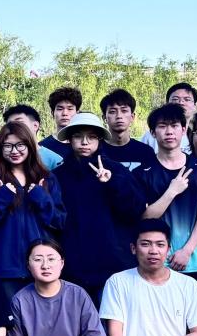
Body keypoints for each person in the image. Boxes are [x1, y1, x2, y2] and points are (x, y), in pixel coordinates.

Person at [51, 113, 146, 302]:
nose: (85, 142)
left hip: (112, 263)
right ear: (69, 139)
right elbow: (53, 219)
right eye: (78, 136)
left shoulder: (116, 170)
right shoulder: (58, 175)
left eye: (92, 137)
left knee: (111, 318)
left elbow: (135, 210)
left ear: (100, 140)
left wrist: (112, 183)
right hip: (72, 265)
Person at [0, 122, 65, 300]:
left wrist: (41, 198)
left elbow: (59, 221)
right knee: (8, 317)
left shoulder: (47, 179)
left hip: (41, 266)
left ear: (30, 145)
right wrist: (2, 198)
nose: (14, 151)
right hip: (4, 267)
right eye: (7, 146)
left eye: (20, 145)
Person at [137, 103, 197, 290]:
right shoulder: (142, 172)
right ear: (153, 132)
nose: (169, 132)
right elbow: (146, 216)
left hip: (196, 259)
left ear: (183, 130)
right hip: (158, 260)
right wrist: (172, 191)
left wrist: (187, 251)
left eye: (174, 126)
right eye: (162, 126)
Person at [99, 89, 154, 171]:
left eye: (124, 111)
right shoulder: (95, 151)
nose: (119, 116)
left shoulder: (146, 152)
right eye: (112, 111)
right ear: (104, 118)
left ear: (132, 117)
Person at [142, 83, 197, 154]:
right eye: (175, 99)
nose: (181, 102)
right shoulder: (150, 137)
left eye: (187, 99)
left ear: (194, 106)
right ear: (167, 104)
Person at [3, 104, 63, 170]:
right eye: (10, 124)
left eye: (19, 123)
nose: (14, 127)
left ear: (35, 126)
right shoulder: (3, 156)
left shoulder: (54, 160)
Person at [42, 87, 82, 159]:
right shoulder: (43, 147)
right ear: (52, 113)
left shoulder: (86, 146)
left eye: (70, 109)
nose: (65, 113)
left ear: (77, 113)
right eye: (60, 109)